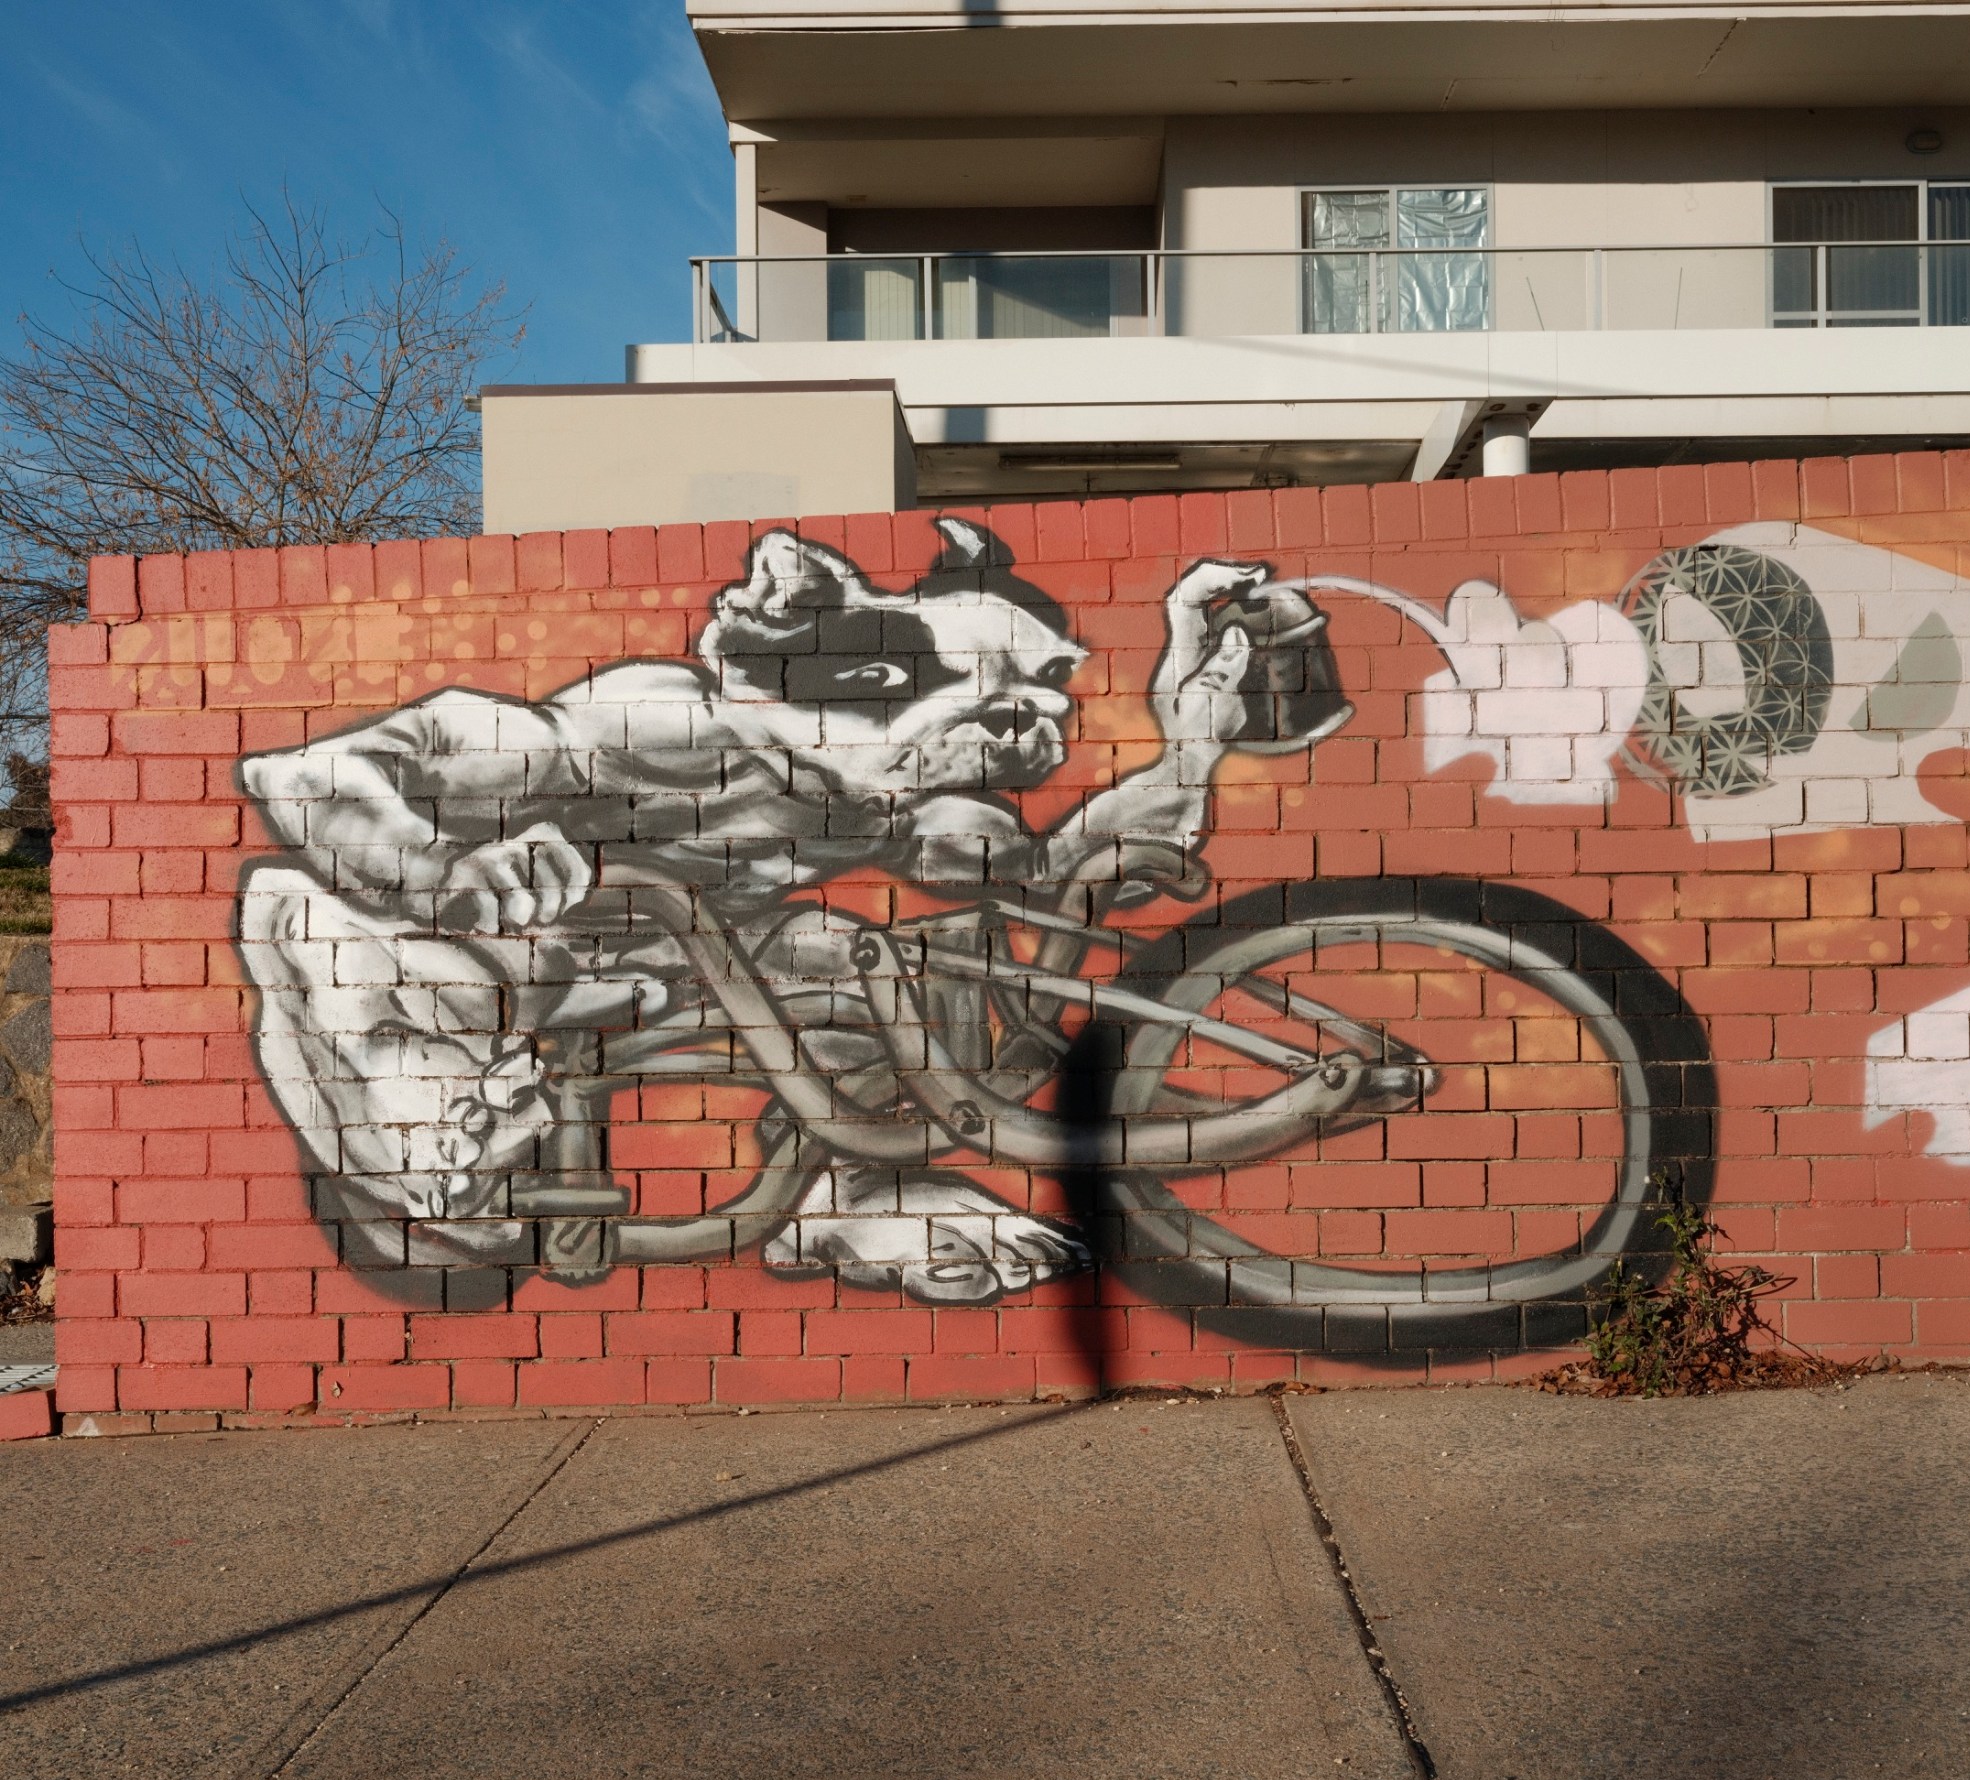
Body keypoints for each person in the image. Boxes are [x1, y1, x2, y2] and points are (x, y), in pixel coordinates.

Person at [237, 518, 1269, 1302]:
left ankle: (841, 1196)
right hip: (468, 951)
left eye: (1039, 704)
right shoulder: (661, 724)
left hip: (652, 963)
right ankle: (418, 1127)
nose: (1021, 737)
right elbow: (310, 773)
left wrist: (1190, 744)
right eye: (984, 701)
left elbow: (1058, 876)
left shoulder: (875, 804)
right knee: (309, 914)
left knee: (861, 958)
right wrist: (445, 870)